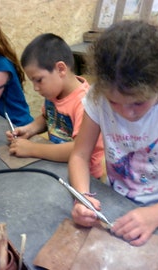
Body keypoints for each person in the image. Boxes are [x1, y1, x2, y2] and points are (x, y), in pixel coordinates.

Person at [68, 20, 158, 246]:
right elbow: (79, 156)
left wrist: (155, 214)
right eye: (114, 102)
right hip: (115, 200)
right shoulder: (97, 97)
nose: (127, 113)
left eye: (138, 103)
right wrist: (82, 197)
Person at [6, 33, 104, 179]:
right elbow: (47, 118)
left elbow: (78, 150)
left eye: (39, 80)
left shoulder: (84, 103)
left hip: (85, 176)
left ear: (61, 69)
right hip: (57, 165)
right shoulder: (53, 94)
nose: (36, 88)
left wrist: (32, 149)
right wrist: (29, 130)